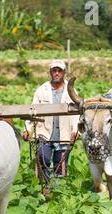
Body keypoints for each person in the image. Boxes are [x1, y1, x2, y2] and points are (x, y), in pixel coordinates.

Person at [22, 60, 79, 195]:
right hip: (44, 131)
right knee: (43, 157)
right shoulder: (42, 90)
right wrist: (28, 128)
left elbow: (76, 113)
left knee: (61, 163)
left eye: (59, 70)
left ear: (64, 73)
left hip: (63, 133)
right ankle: (45, 186)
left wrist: (75, 130)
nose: (57, 73)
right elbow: (32, 109)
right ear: (50, 73)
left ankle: (58, 190)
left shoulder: (71, 91)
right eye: (54, 70)